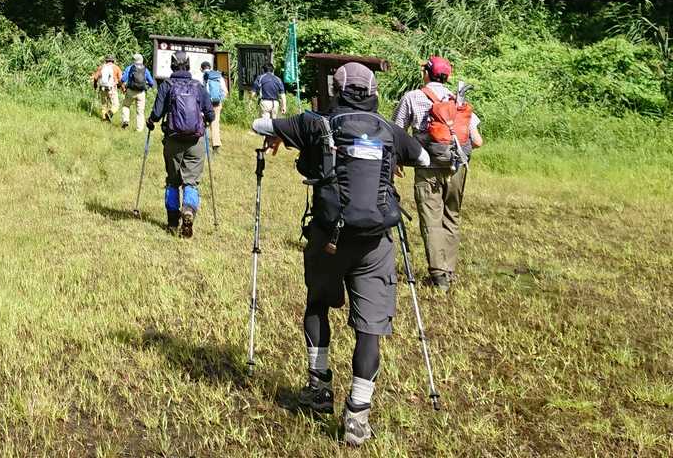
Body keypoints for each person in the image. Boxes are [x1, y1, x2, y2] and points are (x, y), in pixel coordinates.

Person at [252, 61, 430, 447]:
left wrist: (281, 134)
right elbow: (424, 158)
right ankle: (357, 416)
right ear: (373, 92)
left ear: (337, 90)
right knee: (369, 329)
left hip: (328, 237)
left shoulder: (316, 124)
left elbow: (258, 125)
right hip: (375, 243)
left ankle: (319, 390)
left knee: (317, 304)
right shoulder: (388, 130)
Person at [393, 55, 483, 291]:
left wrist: (397, 161)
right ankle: (449, 270)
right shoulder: (457, 99)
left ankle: (438, 274)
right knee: (452, 216)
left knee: (431, 220)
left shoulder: (412, 97)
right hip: (457, 168)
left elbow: (396, 132)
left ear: (426, 74)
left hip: (427, 168)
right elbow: (477, 141)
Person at [147, 53, 215, 237]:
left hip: (173, 140)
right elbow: (211, 114)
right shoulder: (198, 86)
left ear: (172, 66)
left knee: (172, 181)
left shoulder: (167, 86)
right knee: (191, 182)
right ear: (188, 65)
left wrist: (150, 121)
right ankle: (189, 210)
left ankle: (172, 223)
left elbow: (157, 113)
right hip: (195, 141)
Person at [120, 53, 154, 131]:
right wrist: (147, 87)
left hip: (130, 91)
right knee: (140, 112)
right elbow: (151, 83)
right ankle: (139, 129)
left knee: (126, 106)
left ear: (134, 60)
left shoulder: (130, 68)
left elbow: (123, 79)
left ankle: (125, 120)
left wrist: (123, 86)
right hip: (141, 93)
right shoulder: (145, 69)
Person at [202, 63, 228, 148]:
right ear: (210, 67)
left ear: (201, 69)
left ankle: (202, 143)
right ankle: (216, 144)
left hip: (206, 103)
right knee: (215, 122)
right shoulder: (218, 76)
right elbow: (225, 91)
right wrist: (220, 99)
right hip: (217, 102)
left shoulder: (203, 76)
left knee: (202, 121)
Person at [91, 55, 123, 122]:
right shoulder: (116, 68)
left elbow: (95, 78)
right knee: (116, 105)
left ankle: (104, 118)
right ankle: (110, 113)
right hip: (112, 89)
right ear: (113, 61)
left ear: (106, 60)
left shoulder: (101, 67)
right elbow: (121, 79)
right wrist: (121, 87)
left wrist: (95, 85)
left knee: (104, 104)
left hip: (102, 88)